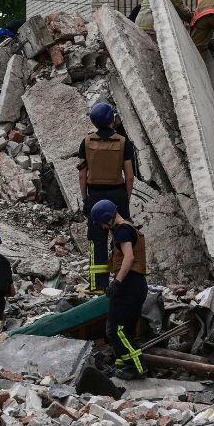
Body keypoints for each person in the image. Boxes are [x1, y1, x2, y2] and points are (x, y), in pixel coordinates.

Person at [78, 102, 136, 292]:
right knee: (123, 238)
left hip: (95, 194)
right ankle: (124, 280)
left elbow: (82, 174)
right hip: (117, 193)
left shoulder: (86, 143)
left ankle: (98, 285)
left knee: (96, 241)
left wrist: (85, 198)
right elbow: (129, 175)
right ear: (112, 119)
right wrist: (125, 198)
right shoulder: (123, 142)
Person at [90, 199, 148, 380]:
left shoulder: (122, 231)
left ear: (107, 218)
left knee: (117, 330)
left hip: (129, 285)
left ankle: (137, 367)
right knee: (124, 329)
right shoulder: (128, 228)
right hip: (134, 284)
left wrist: (117, 282)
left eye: (101, 223)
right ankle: (122, 365)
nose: (102, 227)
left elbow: (129, 258)